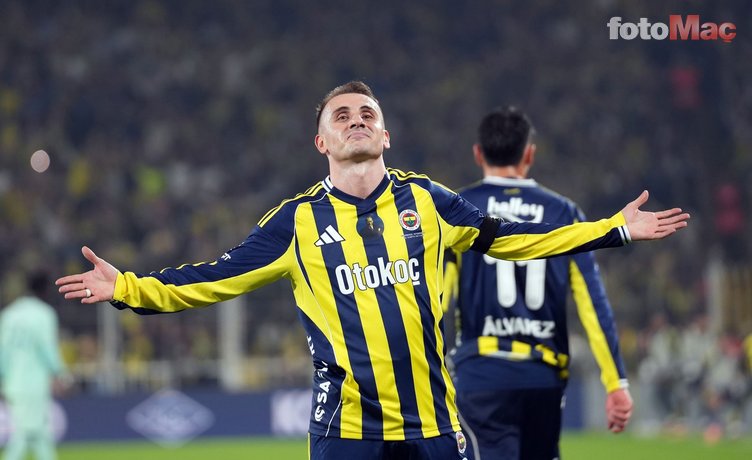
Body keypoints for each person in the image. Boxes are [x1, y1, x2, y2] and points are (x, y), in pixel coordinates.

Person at [55, 81, 689, 460]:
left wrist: (613, 228)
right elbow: (212, 279)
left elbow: (514, 240)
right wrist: (127, 287)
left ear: (386, 136)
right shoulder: (295, 222)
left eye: (368, 114)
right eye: (341, 116)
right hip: (346, 432)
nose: (356, 120)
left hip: (435, 425)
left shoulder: (429, 201)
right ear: (322, 143)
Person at [442, 107, 634, 460]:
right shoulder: (564, 213)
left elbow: (436, 299)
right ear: (529, 154)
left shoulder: (458, 210)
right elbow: (592, 303)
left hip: (481, 373)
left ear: (478, 153)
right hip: (542, 374)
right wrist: (615, 381)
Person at [0, 270, 67, 460]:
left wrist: (2, 378)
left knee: (38, 432)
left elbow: (3, 352)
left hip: (13, 383)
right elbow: (47, 349)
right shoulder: (44, 314)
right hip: (34, 382)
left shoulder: (9, 314)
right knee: (26, 433)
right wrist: (61, 374)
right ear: (45, 289)